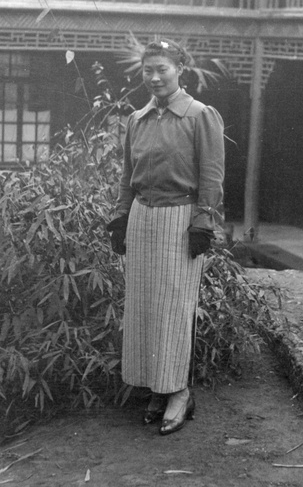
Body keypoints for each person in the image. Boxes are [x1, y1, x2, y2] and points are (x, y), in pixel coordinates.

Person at [107, 38, 225, 436]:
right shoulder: (136, 119)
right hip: (142, 216)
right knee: (143, 304)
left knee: (174, 304)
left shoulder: (199, 115)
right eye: (148, 70)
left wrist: (203, 221)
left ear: (180, 70)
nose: (155, 77)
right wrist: (121, 217)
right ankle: (156, 387)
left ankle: (178, 392)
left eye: (163, 69)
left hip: (180, 217)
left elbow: (211, 175)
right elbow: (127, 177)